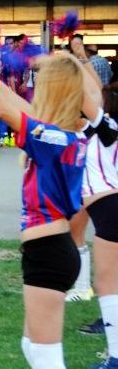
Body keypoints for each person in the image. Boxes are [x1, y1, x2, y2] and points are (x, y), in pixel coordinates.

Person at [0, 30, 102, 369]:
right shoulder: (61, 136)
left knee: (46, 359)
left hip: (48, 252)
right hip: (48, 250)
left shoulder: (55, 139)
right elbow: (19, 108)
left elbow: (5, 111)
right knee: (32, 347)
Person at [80, 97, 118, 369]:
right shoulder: (86, 133)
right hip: (106, 211)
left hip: (110, 210)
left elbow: (84, 93)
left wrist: (75, 60)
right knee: (109, 284)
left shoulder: (108, 130)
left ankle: (115, 358)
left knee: (106, 285)